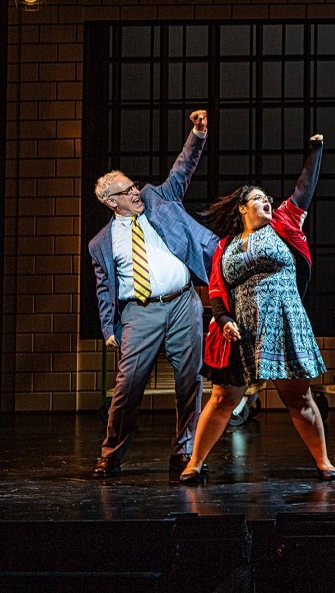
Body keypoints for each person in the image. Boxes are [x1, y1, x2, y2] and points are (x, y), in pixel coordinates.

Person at [177, 134, 335, 484]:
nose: (267, 202)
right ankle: (195, 463)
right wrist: (223, 319)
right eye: (258, 198)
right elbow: (216, 290)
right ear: (242, 208)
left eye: (268, 199)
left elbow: (304, 190)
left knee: (299, 398)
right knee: (222, 399)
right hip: (242, 330)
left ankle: (324, 461)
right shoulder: (225, 246)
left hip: (285, 322)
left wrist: (316, 152)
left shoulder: (284, 224)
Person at [88, 110, 218, 480]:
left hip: (183, 303)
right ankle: (111, 455)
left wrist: (197, 134)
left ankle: (184, 451)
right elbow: (104, 288)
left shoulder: (159, 199)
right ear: (111, 202)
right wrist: (108, 328)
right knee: (127, 386)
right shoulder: (101, 243)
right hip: (139, 313)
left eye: (133, 186)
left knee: (190, 382)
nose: (135, 192)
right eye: (126, 191)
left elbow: (182, 168)